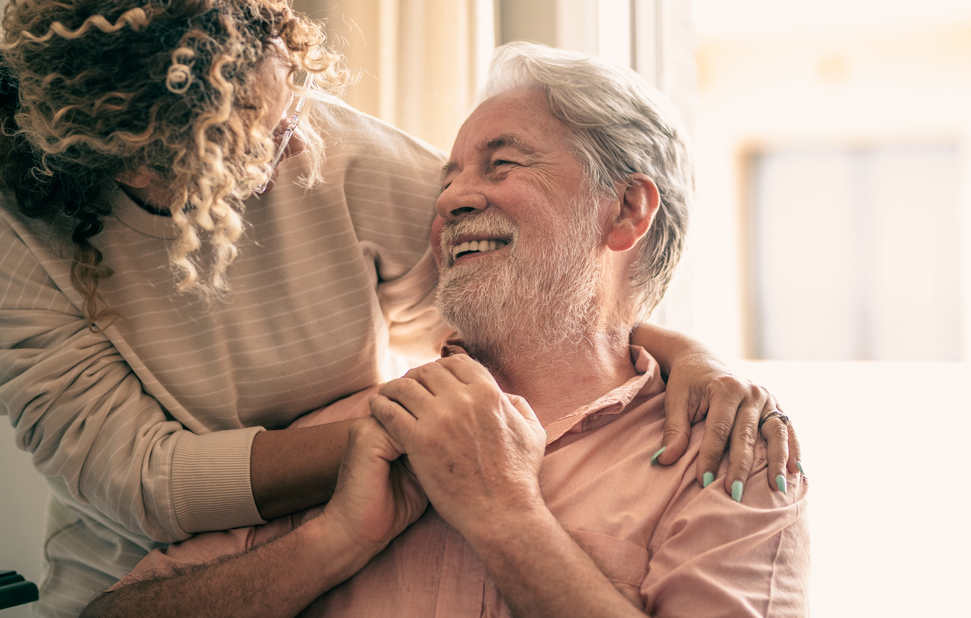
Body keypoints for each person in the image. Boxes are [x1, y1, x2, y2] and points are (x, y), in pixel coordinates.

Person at [0, 0, 799, 618]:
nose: (298, 137)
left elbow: (551, 284)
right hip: (150, 557)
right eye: (256, 130)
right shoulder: (16, 244)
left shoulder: (338, 159)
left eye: (292, 100)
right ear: (149, 157)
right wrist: (387, 483)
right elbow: (149, 486)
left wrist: (687, 358)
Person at [84, 43, 808, 618]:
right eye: (448, 178)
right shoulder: (352, 434)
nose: (452, 198)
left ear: (626, 211)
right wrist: (332, 543)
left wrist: (505, 514)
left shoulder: (734, 463)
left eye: (502, 164)